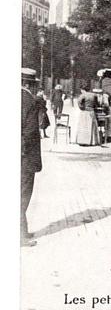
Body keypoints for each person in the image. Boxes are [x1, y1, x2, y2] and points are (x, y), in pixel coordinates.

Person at [21, 68, 42, 247]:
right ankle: (19, 234)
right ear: (28, 84)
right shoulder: (30, 101)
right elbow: (30, 132)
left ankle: (22, 228)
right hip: (25, 156)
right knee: (23, 193)